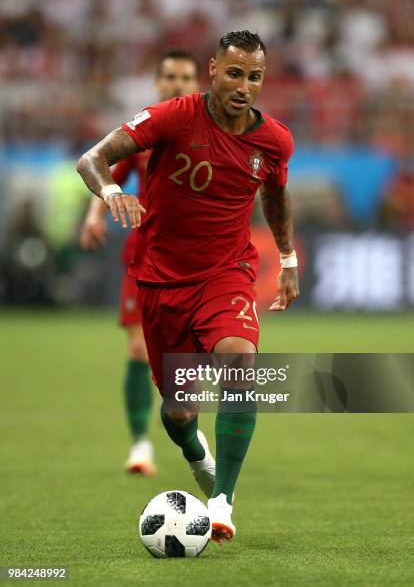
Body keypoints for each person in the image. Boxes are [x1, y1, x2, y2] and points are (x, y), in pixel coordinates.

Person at [77, 30, 299, 543]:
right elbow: (93, 158)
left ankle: (221, 500)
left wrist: (286, 256)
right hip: (161, 282)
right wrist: (110, 192)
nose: (244, 85)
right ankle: (195, 450)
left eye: (256, 76)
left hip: (227, 274)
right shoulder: (173, 117)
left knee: (240, 362)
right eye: (236, 73)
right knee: (179, 411)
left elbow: (276, 196)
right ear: (214, 70)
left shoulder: (274, 140)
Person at [79, 50, 200, 475]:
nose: (177, 84)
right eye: (169, 76)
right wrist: (95, 215)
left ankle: (190, 438)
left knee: (186, 364)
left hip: (197, 262)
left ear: (197, 82)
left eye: (185, 77)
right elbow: (107, 167)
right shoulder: (146, 130)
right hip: (147, 256)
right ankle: (140, 444)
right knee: (137, 349)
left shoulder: (205, 132)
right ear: (158, 82)